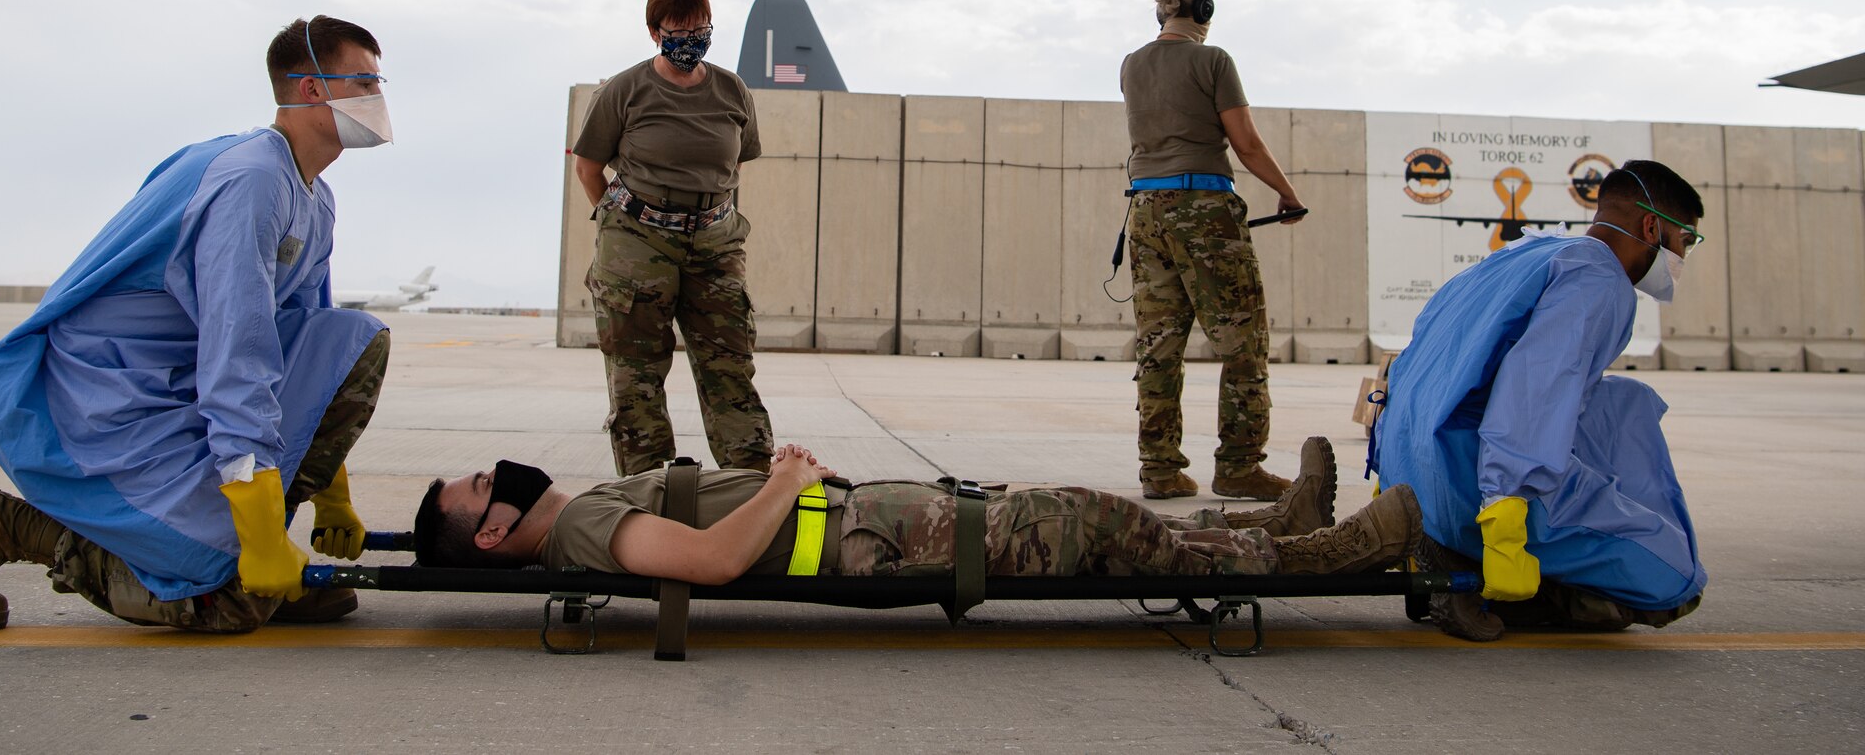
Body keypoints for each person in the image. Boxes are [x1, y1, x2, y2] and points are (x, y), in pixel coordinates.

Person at [0, 17, 395, 635]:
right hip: (109, 397)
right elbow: (238, 350)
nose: (377, 100)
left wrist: (332, 492)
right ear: (309, 89)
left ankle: (253, 547)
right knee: (226, 604)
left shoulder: (313, 196)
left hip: (176, 390)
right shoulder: (250, 179)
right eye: (363, 82)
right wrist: (252, 528)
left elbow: (305, 344)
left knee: (352, 338)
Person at [1370, 161, 1709, 642]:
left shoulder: (1526, 253)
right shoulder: (1598, 279)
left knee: (1624, 400)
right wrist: (1506, 523)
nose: (1682, 257)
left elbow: (1417, 365)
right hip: (1474, 488)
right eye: (1685, 242)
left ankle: (1451, 547)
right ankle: (1484, 581)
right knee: (1676, 579)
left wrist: (1388, 478)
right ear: (1652, 227)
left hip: (1416, 478)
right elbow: (1536, 389)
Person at [410, 436, 1422, 588]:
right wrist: (782, 477)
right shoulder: (586, 531)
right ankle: (1322, 554)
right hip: (878, 537)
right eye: (475, 492)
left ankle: (1278, 524)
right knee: (1104, 526)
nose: (488, 477)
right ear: (493, 533)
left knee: (1102, 515)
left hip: (882, 514)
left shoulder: (573, 508)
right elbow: (713, 559)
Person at [571, 0, 773, 476]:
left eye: (700, 29)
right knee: (636, 371)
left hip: (715, 242)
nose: (691, 40)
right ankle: (648, 489)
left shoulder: (731, 89)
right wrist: (624, 227)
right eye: (678, 30)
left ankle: (748, 484)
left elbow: (735, 163)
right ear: (654, 31)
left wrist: (700, 210)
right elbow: (588, 167)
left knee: (730, 366)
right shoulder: (624, 90)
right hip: (639, 242)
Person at [1120, 0, 1305, 501]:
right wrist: (1287, 194)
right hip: (1203, 209)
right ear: (1205, 10)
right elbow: (1245, 142)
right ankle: (1240, 466)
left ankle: (1159, 470)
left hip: (1146, 209)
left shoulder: (1131, 63)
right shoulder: (1214, 60)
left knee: (1158, 347)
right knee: (1244, 345)